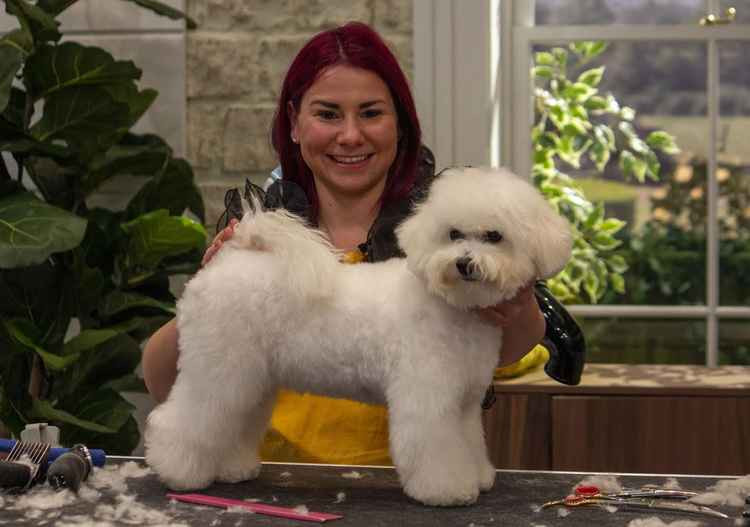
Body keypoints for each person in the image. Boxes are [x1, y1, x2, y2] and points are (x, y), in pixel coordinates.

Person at [143, 21, 577, 466]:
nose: (350, 136)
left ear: (400, 124)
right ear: (294, 123)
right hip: (275, 480)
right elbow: (162, 381)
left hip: (387, 487)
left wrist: (517, 305)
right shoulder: (259, 239)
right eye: (328, 114)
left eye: (371, 113)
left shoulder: (451, 218)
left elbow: (493, 361)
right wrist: (212, 283)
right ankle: (192, 455)